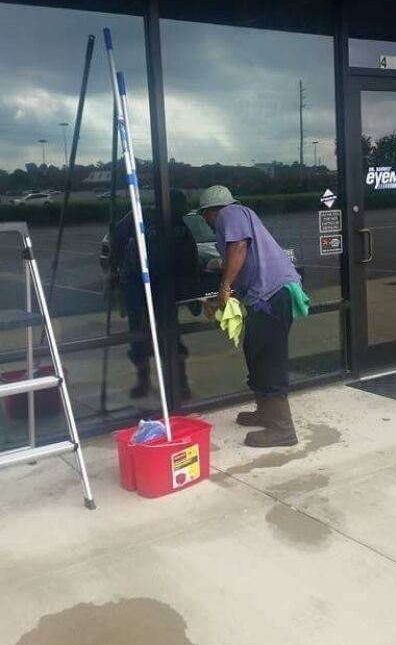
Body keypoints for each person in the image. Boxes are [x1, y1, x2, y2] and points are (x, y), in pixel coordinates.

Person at [199, 184, 305, 448]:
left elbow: (239, 248)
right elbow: (242, 265)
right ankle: (266, 412)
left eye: (204, 216)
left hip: (272, 295)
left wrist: (223, 287)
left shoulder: (230, 213)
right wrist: (221, 296)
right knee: (255, 350)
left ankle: (283, 429)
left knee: (269, 358)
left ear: (211, 211)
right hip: (267, 297)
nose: (207, 222)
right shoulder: (241, 217)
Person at [110, 188, 199, 401]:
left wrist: (189, 290)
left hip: (165, 288)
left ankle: (181, 382)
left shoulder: (180, 228)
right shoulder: (141, 216)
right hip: (136, 284)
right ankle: (143, 380)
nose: (182, 213)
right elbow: (117, 238)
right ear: (168, 205)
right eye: (179, 208)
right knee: (138, 334)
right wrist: (116, 271)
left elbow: (190, 260)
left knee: (170, 333)